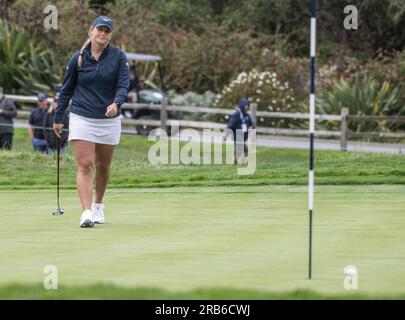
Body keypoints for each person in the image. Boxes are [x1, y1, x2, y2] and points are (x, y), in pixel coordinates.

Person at [54, 16, 130, 228]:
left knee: (103, 166)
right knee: (85, 165)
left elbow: (124, 86)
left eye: (107, 31)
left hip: (109, 119)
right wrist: (58, 116)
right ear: (91, 31)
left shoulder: (118, 57)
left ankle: (98, 205)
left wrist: (116, 103)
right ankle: (86, 212)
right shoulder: (77, 58)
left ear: (110, 35)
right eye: (100, 29)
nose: (103, 34)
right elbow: (66, 89)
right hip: (81, 116)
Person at [225, 98, 256, 164]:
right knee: (243, 151)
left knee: (241, 151)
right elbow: (230, 125)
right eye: (246, 105)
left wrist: (252, 126)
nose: (248, 107)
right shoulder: (236, 115)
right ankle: (234, 162)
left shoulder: (247, 115)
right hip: (237, 136)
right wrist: (226, 135)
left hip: (243, 137)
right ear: (242, 106)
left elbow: (251, 124)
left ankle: (234, 162)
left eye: (248, 105)